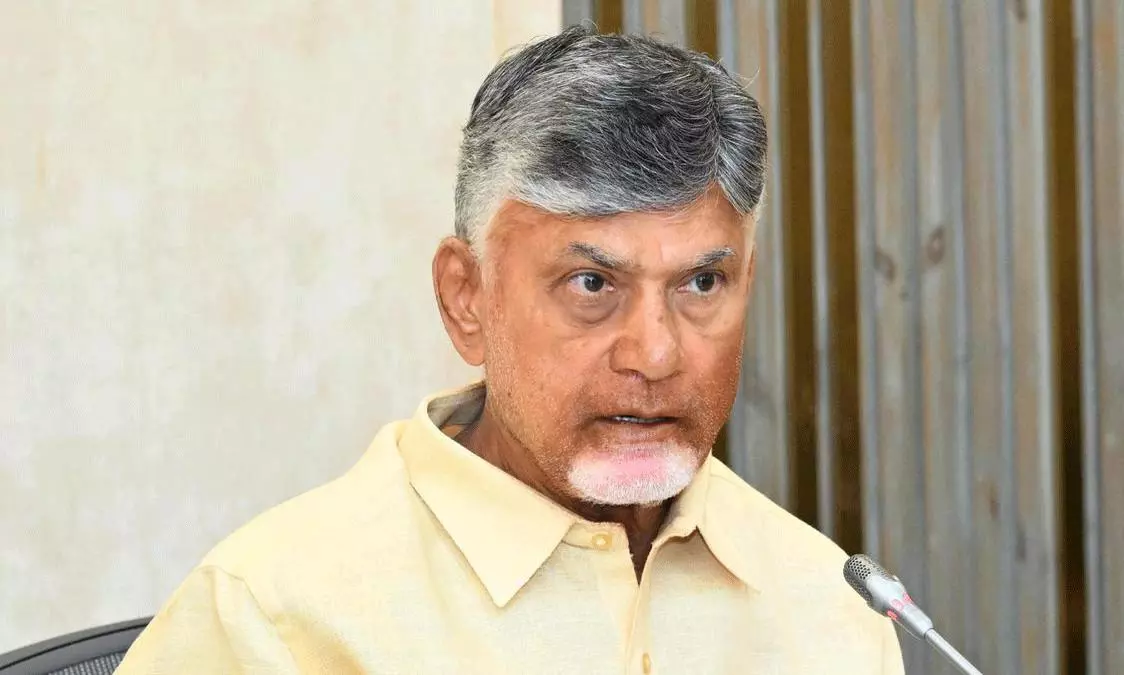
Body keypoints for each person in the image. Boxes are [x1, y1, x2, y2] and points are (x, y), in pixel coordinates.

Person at [117, 25, 904, 674]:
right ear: (467, 297)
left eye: (701, 282)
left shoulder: (830, 607)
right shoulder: (275, 620)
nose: (656, 353)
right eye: (592, 283)